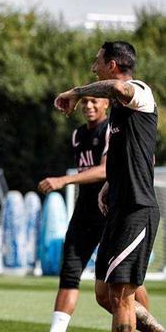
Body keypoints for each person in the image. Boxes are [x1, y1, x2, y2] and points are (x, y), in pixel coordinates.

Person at [55, 41, 163, 332]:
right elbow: (141, 153)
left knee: (121, 296)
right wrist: (109, 184)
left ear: (112, 65)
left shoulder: (140, 91)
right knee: (105, 295)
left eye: (97, 61)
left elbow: (117, 89)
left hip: (137, 210)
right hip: (117, 208)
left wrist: (77, 92)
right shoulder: (120, 111)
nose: (94, 67)